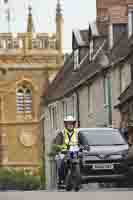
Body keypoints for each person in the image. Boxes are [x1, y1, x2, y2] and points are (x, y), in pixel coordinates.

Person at [54, 115, 80, 185]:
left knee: (82, 160)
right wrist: (58, 147)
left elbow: (83, 141)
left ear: (74, 124)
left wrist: (86, 145)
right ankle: (61, 179)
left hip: (75, 152)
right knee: (61, 163)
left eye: (72, 123)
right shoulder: (61, 133)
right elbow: (57, 142)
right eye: (68, 123)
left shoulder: (77, 133)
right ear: (66, 124)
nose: (70, 125)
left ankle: (79, 177)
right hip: (64, 152)